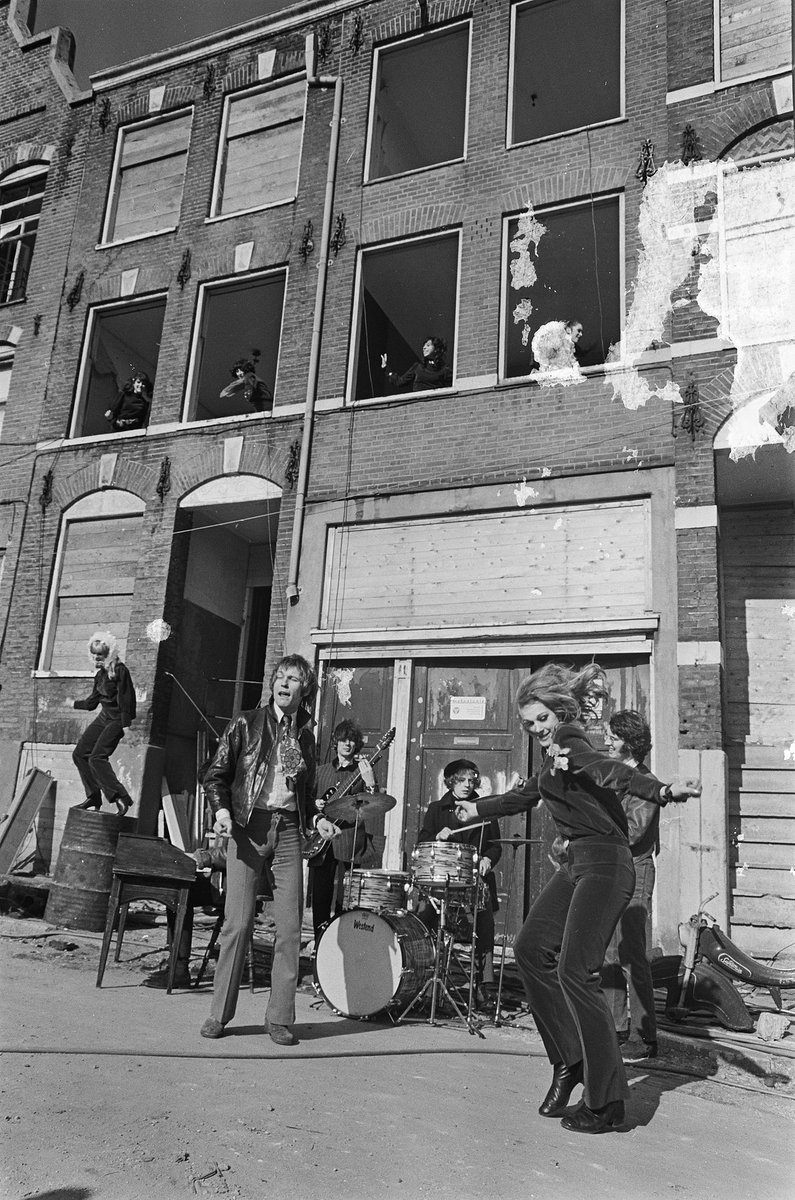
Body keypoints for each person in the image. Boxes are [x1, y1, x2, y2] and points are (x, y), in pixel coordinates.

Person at [455, 662, 701, 1134]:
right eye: (528, 723)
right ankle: (569, 1061)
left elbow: (608, 771)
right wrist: (477, 809)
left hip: (607, 863)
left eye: (542, 719)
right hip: (577, 865)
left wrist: (663, 790)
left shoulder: (571, 741)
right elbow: (525, 796)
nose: (536, 729)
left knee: (575, 970)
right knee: (530, 949)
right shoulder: (551, 759)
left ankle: (607, 1102)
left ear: (559, 712)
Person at [199, 654, 338, 1045]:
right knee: (238, 923)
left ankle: (278, 1018)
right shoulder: (246, 723)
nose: (284, 683)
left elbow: (304, 792)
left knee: (290, 928)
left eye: (293, 679)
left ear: (304, 689)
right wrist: (222, 812)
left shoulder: (306, 735)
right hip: (248, 826)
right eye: (280, 677)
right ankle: (219, 1014)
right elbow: (215, 774)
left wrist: (316, 819)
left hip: (289, 829)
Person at [417, 759, 502, 1011]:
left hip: (474, 882)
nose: (467, 785)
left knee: (484, 925)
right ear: (451, 782)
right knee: (425, 920)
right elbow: (422, 842)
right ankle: (426, 983)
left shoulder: (483, 809)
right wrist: (437, 837)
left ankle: (483, 987)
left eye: (471, 781)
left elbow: (495, 845)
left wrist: (488, 859)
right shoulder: (436, 809)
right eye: (462, 780)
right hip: (443, 883)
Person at [601, 710, 660, 1062]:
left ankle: (643, 1035)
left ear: (630, 741)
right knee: (609, 952)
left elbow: (634, 832)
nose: (606, 741)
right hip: (612, 869)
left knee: (632, 955)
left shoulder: (646, 783)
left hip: (635, 870)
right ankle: (615, 1028)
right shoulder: (613, 775)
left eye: (613, 736)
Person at [308, 719, 381, 943]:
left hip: (350, 839)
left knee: (347, 896)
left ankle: (344, 942)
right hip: (323, 840)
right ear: (335, 742)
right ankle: (320, 941)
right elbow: (307, 802)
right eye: (343, 740)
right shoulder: (321, 772)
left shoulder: (362, 771)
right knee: (321, 895)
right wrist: (316, 804)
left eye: (351, 740)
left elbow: (374, 804)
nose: (347, 744)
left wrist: (370, 783)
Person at [72, 631, 136, 815]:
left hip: (117, 720)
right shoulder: (100, 675)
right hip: (103, 718)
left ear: (109, 653)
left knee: (97, 758)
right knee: (80, 754)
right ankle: (93, 796)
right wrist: (72, 703)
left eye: (100, 654)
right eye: (94, 654)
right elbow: (92, 703)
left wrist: (126, 726)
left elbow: (127, 699)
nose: (96, 657)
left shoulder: (120, 670)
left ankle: (120, 797)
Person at [381, 336, 452, 392]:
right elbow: (400, 382)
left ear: (436, 349)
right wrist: (387, 369)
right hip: (418, 403)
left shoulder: (444, 369)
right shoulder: (418, 367)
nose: (424, 348)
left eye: (428, 345)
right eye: (424, 346)